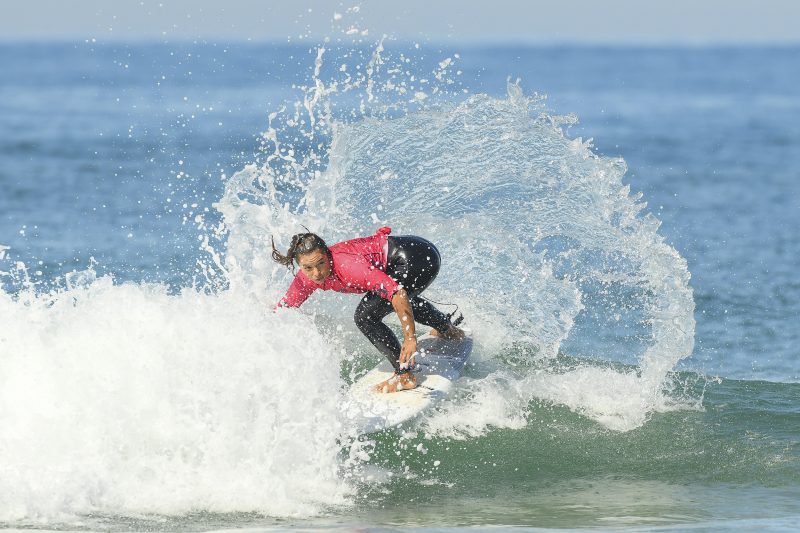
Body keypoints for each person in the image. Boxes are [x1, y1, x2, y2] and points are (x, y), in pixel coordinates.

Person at [273, 226, 464, 393]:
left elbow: (398, 294)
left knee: (365, 317)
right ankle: (448, 330)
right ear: (299, 265)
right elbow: (285, 308)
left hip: (418, 259)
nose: (317, 273)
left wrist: (410, 337)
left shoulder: (348, 266)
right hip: (413, 251)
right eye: (308, 268)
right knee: (394, 300)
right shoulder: (306, 278)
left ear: (327, 255)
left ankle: (404, 375)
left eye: (321, 263)